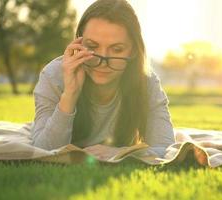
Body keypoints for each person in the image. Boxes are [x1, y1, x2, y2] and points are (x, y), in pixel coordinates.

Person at [30, 0, 175, 159]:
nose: (103, 59)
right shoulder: (53, 76)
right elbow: (42, 151)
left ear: (133, 51)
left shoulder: (146, 82)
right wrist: (70, 94)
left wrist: (121, 153)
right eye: (92, 46)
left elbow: (167, 149)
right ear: (79, 42)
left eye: (117, 49)